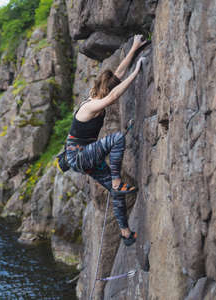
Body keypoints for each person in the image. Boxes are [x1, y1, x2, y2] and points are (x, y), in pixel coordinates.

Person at [66, 34, 147, 247]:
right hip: (79, 157)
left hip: (85, 156)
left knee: (114, 192)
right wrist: (137, 72)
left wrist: (134, 48)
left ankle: (126, 234)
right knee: (118, 138)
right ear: (106, 89)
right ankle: (117, 181)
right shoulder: (90, 106)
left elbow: (118, 74)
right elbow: (113, 97)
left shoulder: (97, 95)